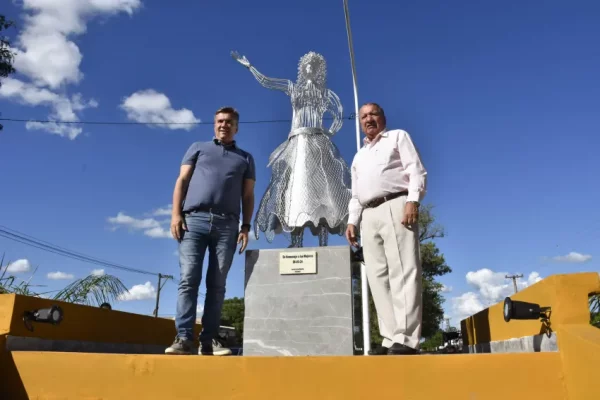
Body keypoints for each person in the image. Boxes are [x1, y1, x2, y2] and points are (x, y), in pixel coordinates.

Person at [231, 50, 351, 248]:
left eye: (315, 65)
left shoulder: (326, 94)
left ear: (320, 70)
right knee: (297, 190)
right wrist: (250, 66)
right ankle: (296, 243)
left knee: (323, 193)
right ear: (302, 68)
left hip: (318, 144)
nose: (310, 68)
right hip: (298, 144)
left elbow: (338, 114)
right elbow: (267, 82)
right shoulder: (292, 88)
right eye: (307, 65)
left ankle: (323, 243)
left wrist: (328, 133)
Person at [165, 106, 256, 356]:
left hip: (228, 225)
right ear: (214, 124)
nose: (223, 125)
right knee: (188, 279)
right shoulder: (198, 148)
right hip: (193, 220)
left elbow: (247, 195)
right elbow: (181, 181)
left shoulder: (245, 158)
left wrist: (245, 226)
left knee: (217, 284)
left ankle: (209, 340)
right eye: (219, 121)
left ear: (236, 127)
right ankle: (183, 338)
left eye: (228, 122)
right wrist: (176, 214)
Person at [346, 103, 427, 356]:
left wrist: (413, 201)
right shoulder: (359, 156)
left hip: (396, 204)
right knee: (377, 277)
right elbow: (356, 194)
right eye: (363, 116)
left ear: (383, 117)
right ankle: (390, 336)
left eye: (373, 114)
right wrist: (352, 221)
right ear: (360, 122)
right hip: (368, 214)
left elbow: (416, 171)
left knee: (403, 269)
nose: (368, 119)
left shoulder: (398, 137)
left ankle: (406, 337)